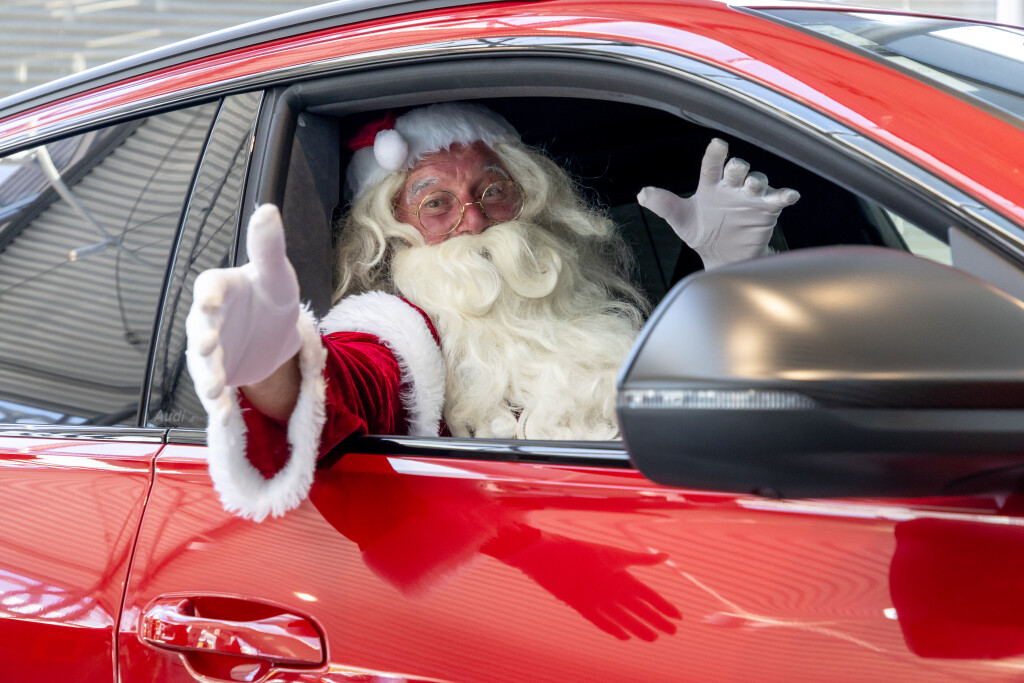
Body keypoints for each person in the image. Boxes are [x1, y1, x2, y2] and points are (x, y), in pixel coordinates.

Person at [186, 102, 799, 521]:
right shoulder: (398, 336)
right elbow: (339, 390)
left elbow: (724, 411)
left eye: (491, 190)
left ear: (528, 197)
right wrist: (270, 357)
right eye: (436, 203)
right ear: (392, 230)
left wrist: (734, 275)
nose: (474, 220)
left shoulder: (588, 308)